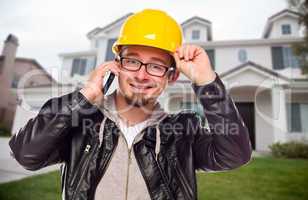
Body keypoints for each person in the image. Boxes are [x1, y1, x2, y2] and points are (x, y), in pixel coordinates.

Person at [9, 9, 252, 200]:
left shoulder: (183, 132)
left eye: (156, 66)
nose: (141, 75)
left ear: (172, 76)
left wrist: (207, 82)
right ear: (117, 64)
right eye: (132, 61)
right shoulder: (82, 121)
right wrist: (82, 98)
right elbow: (25, 154)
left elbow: (234, 155)